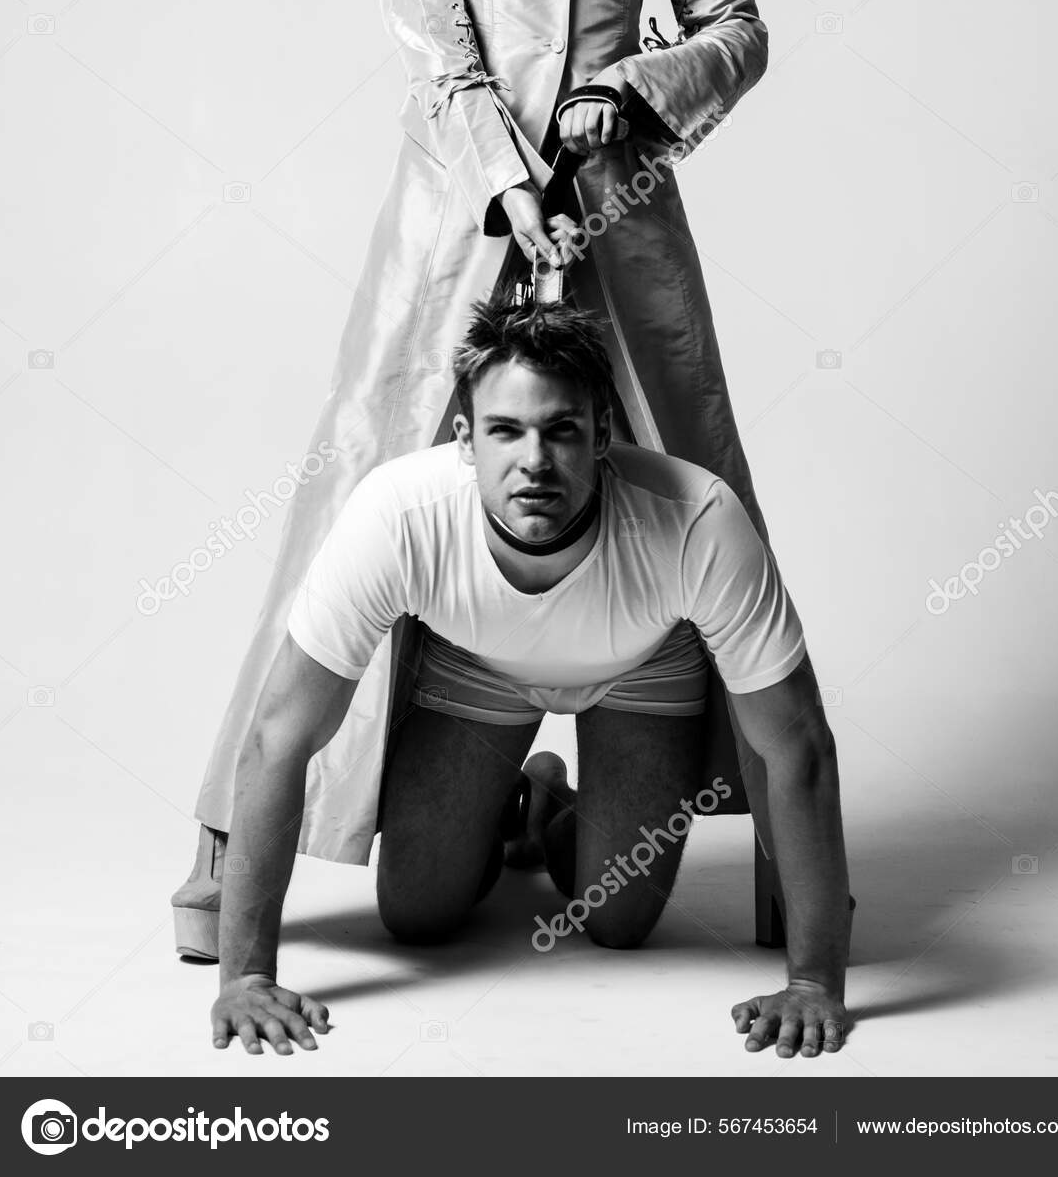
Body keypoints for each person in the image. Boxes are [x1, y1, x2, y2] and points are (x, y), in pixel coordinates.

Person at [174, 0, 781, 962]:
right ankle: (228, 834)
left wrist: (633, 89)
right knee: (360, 481)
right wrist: (510, 184)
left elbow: (737, 27)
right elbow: (438, 49)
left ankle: (777, 846)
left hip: (623, 219)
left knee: (691, 473)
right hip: (459, 218)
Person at [209, 298, 853, 1061]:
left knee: (617, 923)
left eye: (561, 429)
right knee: (418, 916)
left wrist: (813, 983)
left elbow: (797, 748)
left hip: (641, 666)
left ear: (602, 434)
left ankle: (551, 803)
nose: (535, 461)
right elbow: (279, 739)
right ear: (464, 439)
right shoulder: (397, 513)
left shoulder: (696, 518)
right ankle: (510, 804)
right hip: (476, 665)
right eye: (505, 431)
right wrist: (246, 976)